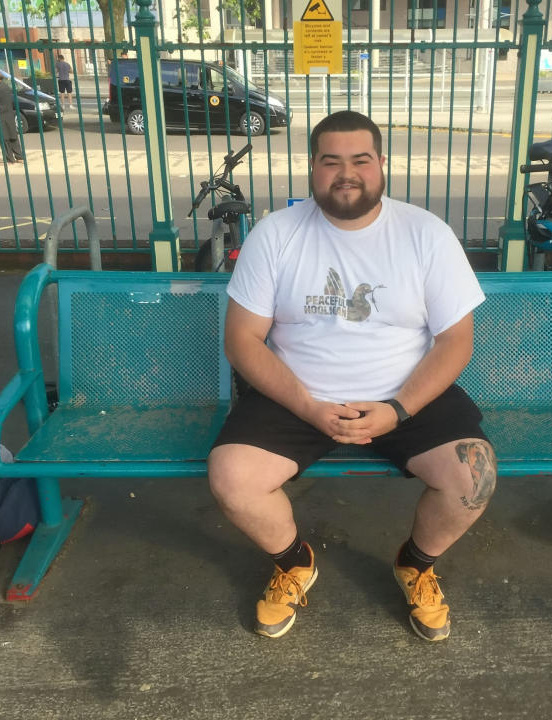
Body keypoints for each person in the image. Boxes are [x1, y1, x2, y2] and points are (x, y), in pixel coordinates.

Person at [207, 110, 497, 642]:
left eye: (361, 160)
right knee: (232, 479)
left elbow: (456, 341)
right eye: (331, 161)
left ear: (382, 164)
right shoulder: (276, 235)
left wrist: (398, 410)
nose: (347, 173)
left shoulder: (425, 234)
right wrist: (309, 407)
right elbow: (242, 341)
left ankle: (416, 564)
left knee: (473, 478)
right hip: (298, 394)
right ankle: (294, 563)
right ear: (312, 168)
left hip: (406, 394)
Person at [0, 70, 23, 164]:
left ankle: (9, 159)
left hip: (1, 116)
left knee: (4, 138)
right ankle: (19, 156)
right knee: (13, 136)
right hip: (9, 114)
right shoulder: (6, 86)